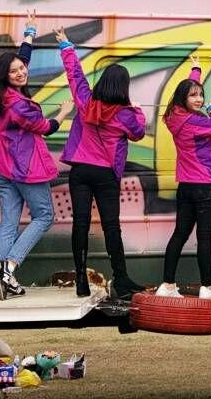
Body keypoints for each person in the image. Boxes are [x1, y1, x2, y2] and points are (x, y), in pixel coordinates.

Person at [0, 11, 72, 300]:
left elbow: (20, 61)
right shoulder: (21, 106)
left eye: (21, 68)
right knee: (44, 216)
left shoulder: (2, 95)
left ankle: (4, 280)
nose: (21, 72)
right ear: (5, 77)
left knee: (8, 223)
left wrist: (30, 33)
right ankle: (9, 267)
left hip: (4, 168)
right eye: (14, 71)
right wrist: (63, 112)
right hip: (25, 168)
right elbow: (45, 128)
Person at [56, 27, 147, 300]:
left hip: (80, 172)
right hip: (106, 175)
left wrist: (66, 46)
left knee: (80, 225)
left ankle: (80, 280)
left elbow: (75, 76)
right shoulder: (126, 115)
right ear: (123, 88)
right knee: (111, 226)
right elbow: (138, 133)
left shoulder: (86, 102)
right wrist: (138, 109)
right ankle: (121, 278)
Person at [156, 55, 211, 300]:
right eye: (193, 96)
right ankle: (207, 288)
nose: (199, 99)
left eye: (201, 95)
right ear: (183, 99)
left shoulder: (174, 116)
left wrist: (195, 71)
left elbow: (184, 91)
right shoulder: (196, 121)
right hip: (207, 185)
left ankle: (167, 285)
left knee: (179, 234)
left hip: (186, 186)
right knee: (205, 237)